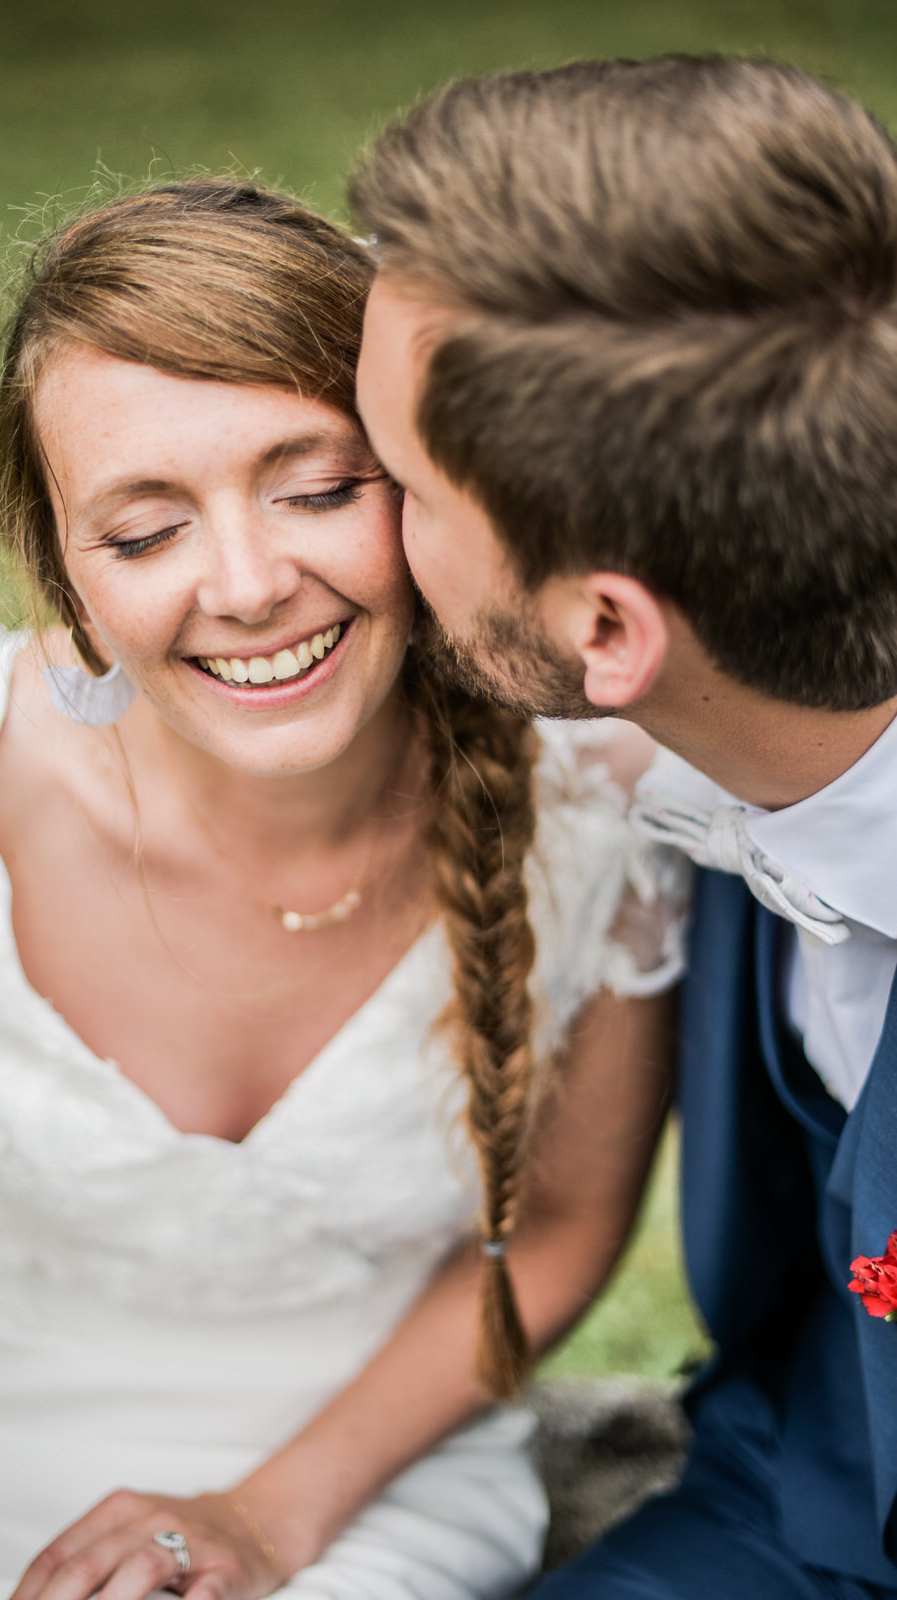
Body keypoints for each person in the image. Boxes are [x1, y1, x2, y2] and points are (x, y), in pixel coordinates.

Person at [0, 178, 683, 1600]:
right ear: (63, 572)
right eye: (146, 531)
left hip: (373, 1468)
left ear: (424, 489)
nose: (245, 583)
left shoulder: (595, 821)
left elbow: (567, 1229)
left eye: (317, 490)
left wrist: (268, 1517)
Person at [351, 51, 897, 1600]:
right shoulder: (733, 705)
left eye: (396, 481)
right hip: (787, 1498)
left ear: (607, 632)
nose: (360, 533)